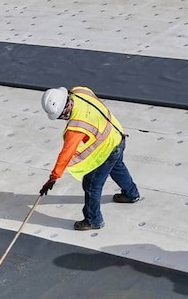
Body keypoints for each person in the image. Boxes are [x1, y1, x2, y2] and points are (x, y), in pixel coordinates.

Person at [39, 86, 142, 231]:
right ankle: (131, 194)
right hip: (117, 135)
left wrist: (53, 177)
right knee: (117, 167)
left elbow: (66, 154)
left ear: (64, 111)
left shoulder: (76, 126)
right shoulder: (79, 91)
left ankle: (93, 220)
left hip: (108, 148)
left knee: (92, 184)